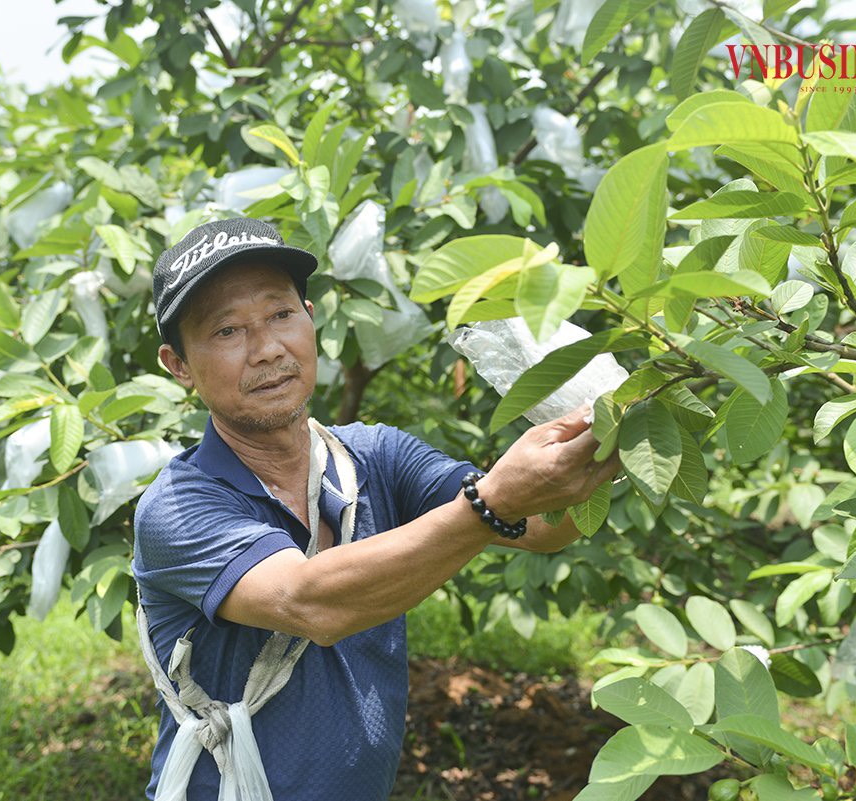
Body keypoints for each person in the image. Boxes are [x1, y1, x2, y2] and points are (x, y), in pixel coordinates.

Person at [132, 217, 621, 801]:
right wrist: (495, 500)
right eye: (227, 330)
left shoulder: (374, 455)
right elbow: (311, 602)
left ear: (311, 318)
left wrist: (596, 428)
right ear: (178, 364)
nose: (267, 350)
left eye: (282, 315)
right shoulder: (178, 507)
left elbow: (542, 528)